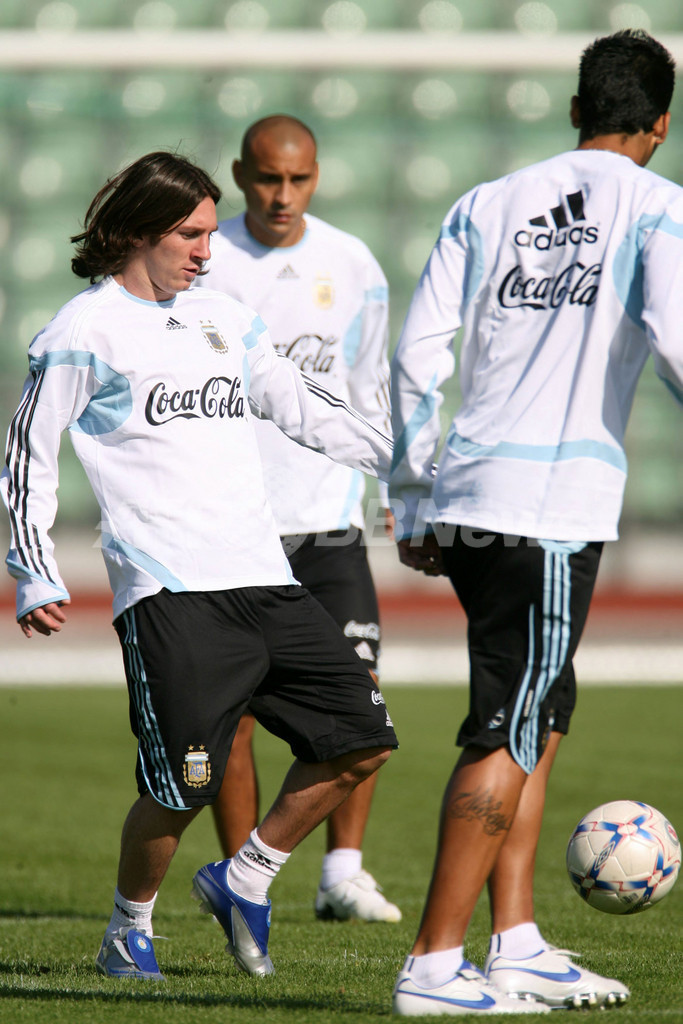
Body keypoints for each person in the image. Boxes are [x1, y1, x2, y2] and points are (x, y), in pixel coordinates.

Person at [1, 151, 398, 982]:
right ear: (138, 230)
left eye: (210, 234)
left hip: (265, 579)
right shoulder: (83, 330)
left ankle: (243, 877)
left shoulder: (224, 317)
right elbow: (27, 455)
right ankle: (127, 930)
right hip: (171, 592)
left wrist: (410, 464)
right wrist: (34, 569)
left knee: (362, 740)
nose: (205, 252)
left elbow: (302, 405)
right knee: (183, 786)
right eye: (189, 234)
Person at [388, 29, 680, 1015]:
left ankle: (514, 943)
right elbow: (677, 339)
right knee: (509, 728)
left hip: (472, 494)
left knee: (540, 715)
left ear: (573, 110)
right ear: (659, 124)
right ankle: (433, 965)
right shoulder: (656, 207)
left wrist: (413, 490)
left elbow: (418, 353)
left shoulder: (485, 202)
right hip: (550, 508)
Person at [196, 114, 400, 924]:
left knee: (360, 692)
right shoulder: (205, 261)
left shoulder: (351, 263)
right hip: (234, 524)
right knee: (236, 716)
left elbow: (369, 385)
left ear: (316, 175)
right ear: (239, 174)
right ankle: (246, 884)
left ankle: (342, 874)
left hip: (326, 521)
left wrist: (393, 485)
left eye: (299, 179)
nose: (283, 195)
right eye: (268, 178)